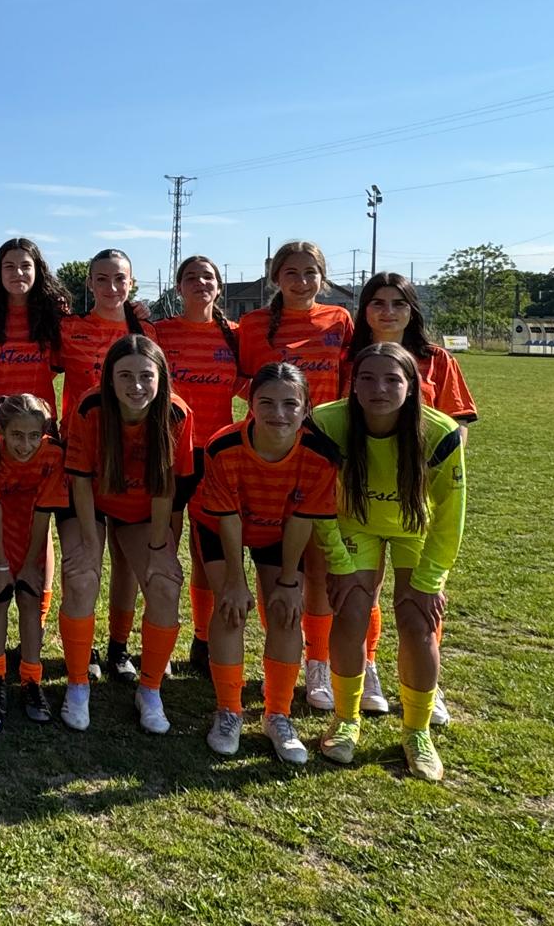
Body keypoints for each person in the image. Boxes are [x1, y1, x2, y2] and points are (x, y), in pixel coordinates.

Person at [311, 343, 465, 782]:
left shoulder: (440, 432)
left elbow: (451, 517)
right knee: (352, 612)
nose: (380, 388)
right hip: (354, 523)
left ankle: (416, 731)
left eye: (393, 379)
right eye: (367, 379)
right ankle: (345, 719)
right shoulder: (327, 422)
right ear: (353, 385)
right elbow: (318, 501)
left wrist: (431, 579)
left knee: (417, 619)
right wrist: (339, 564)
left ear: (412, 386)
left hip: (414, 526)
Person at [346, 272, 477, 726]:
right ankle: (369, 668)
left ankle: (426, 687)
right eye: (377, 302)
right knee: (361, 591)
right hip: (359, 498)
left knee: (421, 595)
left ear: (412, 310)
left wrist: (428, 472)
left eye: (398, 303)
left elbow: (457, 428)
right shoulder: (349, 357)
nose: (387, 311)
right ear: (364, 310)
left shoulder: (436, 360)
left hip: (415, 502)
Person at [197, 363, 336, 765]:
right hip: (224, 528)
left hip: (281, 532)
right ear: (250, 406)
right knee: (230, 607)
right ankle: (229, 710)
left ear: (307, 407)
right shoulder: (223, 446)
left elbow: (301, 519)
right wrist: (235, 581)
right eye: (267, 402)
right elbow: (226, 518)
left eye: (290, 404)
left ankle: (278, 714)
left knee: (286, 611)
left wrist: (290, 581)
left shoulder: (320, 454)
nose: (278, 413)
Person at [237, 240, 353, 714]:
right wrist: (279, 410)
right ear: (275, 276)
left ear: (322, 277)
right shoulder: (252, 324)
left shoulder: (340, 321)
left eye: (310, 272)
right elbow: (244, 379)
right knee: (274, 560)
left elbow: (349, 381)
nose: (301, 280)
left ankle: (319, 661)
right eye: (291, 271)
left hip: (326, 448)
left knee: (321, 562)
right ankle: (280, 647)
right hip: (273, 445)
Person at [62, 335, 195, 734]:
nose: (136, 386)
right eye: (124, 376)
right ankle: (77, 684)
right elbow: (81, 481)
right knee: (82, 576)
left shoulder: (176, 414)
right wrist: (88, 542)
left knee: (165, 584)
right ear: (109, 378)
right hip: (90, 502)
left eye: (145, 376)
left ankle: (150, 690)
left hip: (143, 509)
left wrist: (158, 547)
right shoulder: (90, 407)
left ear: (161, 377)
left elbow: (166, 488)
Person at [58, 249, 151, 684]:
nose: (111, 288)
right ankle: (88, 647)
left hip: (133, 459)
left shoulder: (145, 330)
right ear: (89, 284)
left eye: (120, 279)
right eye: (102, 279)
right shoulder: (69, 329)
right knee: (85, 558)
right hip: (80, 458)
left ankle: (119, 647)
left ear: (131, 283)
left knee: (126, 562)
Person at [151, 255, 246, 676]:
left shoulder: (235, 336)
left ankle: (203, 640)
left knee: (208, 554)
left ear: (219, 287)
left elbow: (253, 383)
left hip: (217, 456)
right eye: (191, 277)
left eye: (207, 277)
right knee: (165, 551)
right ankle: (161, 640)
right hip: (171, 453)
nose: (200, 283)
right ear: (178, 288)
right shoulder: (161, 332)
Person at [0, 394, 70, 724]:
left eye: (32, 436)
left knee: (29, 600)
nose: (25, 445)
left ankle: (31, 680)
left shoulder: (53, 453)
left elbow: (45, 509)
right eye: (16, 435)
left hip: (32, 538)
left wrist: (29, 564)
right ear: (1, 430)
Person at [0, 238, 69, 429]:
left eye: (26, 266)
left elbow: (58, 366)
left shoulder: (54, 313)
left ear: (37, 270)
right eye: (9, 266)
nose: (18, 273)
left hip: (40, 418)